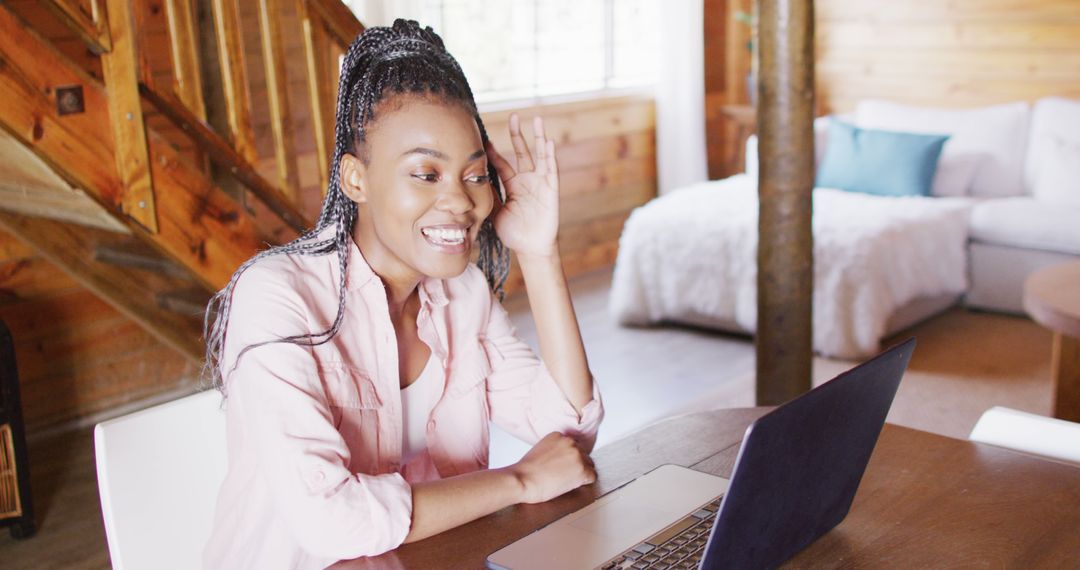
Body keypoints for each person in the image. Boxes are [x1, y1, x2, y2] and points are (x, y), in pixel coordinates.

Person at [201, 19, 604, 570]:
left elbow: (567, 432)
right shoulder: (276, 299)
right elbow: (332, 519)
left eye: (475, 175)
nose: (461, 202)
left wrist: (539, 254)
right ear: (355, 179)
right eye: (425, 173)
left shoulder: (464, 294)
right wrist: (518, 480)